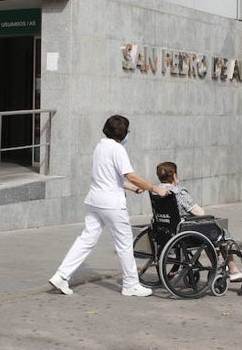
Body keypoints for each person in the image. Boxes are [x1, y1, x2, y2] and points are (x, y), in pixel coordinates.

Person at [49, 115, 165, 297]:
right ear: (123, 133)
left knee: (86, 240)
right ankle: (131, 284)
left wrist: (132, 188)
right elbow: (130, 175)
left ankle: (61, 276)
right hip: (112, 203)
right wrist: (153, 188)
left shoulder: (100, 146)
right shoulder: (118, 149)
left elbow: (110, 177)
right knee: (125, 243)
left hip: (94, 201)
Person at [154, 161, 242, 282]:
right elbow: (199, 213)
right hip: (184, 231)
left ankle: (231, 268)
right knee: (220, 233)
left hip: (166, 231)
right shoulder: (178, 192)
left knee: (208, 231)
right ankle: (233, 269)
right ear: (174, 175)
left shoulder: (155, 191)